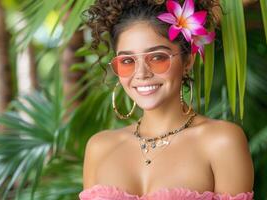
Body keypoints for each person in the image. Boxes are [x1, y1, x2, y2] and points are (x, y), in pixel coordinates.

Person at [79, 0, 254, 199]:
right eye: (127, 61)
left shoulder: (222, 141)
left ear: (188, 61)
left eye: (157, 57)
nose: (141, 74)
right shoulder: (99, 147)